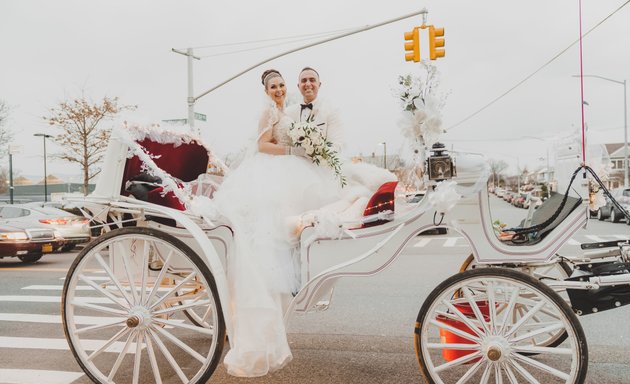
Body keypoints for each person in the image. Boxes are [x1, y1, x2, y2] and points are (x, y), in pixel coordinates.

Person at [213, 69, 343, 377]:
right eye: (274, 86)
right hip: (271, 169)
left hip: (288, 166)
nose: (279, 89)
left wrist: (303, 149)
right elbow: (262, 146)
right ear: (266, 90)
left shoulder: (289, 110)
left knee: (303, 211)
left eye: (282, 85)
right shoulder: (268, 112)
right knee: (272, 226)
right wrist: (293, 150)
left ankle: (303, 255)